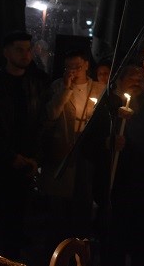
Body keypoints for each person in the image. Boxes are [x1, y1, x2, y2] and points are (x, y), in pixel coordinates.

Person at [0, 30, 51, 260]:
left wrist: (34, 157)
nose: (26, 55)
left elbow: (42, 122)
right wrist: (9, 156)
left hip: (26, 165)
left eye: (28, 49)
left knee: (18, 225)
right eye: (19, 49)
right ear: (6, 52)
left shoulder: (37, 83)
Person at [83, 63, 144, 266]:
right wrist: (107, 143)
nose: (137, 83)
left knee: (143, 247)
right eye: (131, 78)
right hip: (117, 188)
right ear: (118, 80)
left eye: (140, 79)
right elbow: (87, 144)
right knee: (113, 246)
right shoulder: (108, 106)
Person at [39, 48, 105, 256]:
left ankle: (79, 251)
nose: (73, 71)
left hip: (86, 154)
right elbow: (50, 115)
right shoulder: (58, 86)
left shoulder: (99, 89)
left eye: (77, 66)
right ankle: (55, 250)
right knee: (59, 206)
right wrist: (65, 90)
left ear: (86, 65)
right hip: (62, 152)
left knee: (82, 204)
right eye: (69, 67)